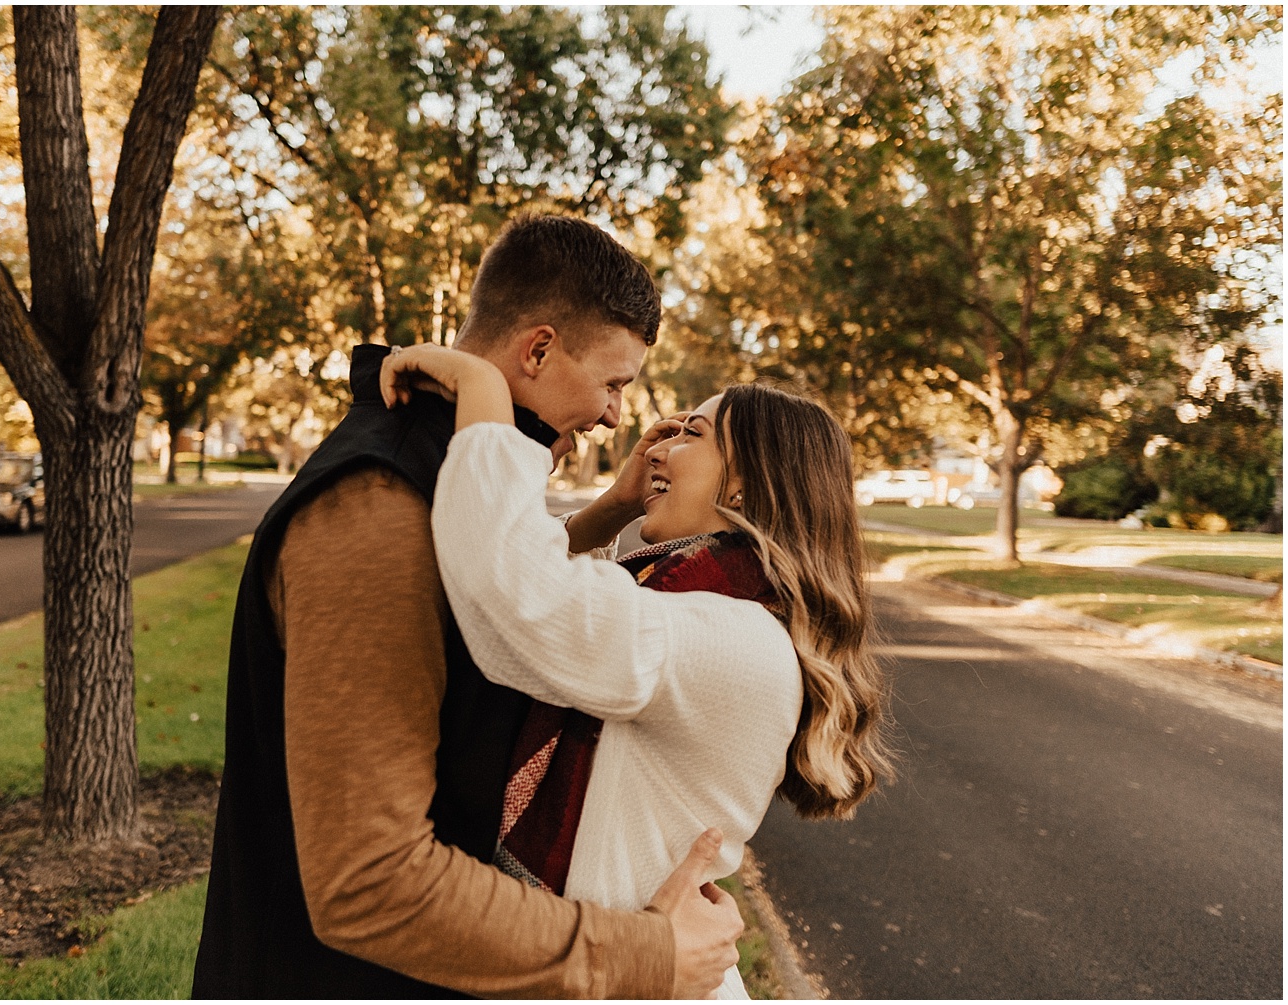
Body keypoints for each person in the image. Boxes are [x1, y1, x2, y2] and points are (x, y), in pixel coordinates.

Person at [192, 214, 744, 999]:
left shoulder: (437, 474)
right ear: (540, 350)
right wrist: (645, 953)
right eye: (614, 383)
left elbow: (496, 579)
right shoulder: (377, 507)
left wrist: (608, 513)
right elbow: (371, 882)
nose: (619, 416)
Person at [380, 345, 898, 998]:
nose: (658, 446)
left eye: (692, 434)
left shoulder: (731, 639)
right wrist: (619, 504)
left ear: (742, 485)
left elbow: (519, 596)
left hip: (641, 978)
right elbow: (570, 596)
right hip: (629, 967)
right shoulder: (705, 605)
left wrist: (485, 396)